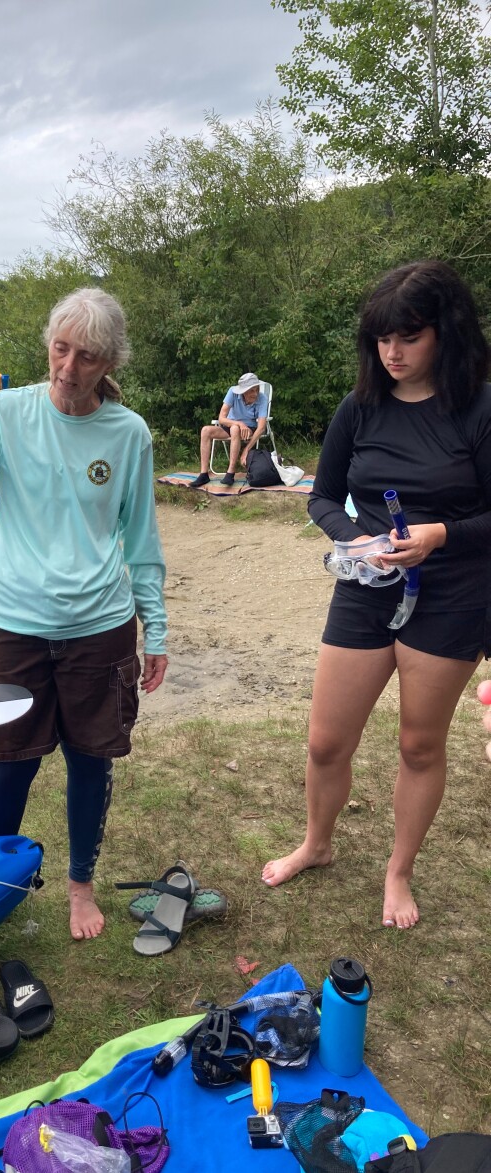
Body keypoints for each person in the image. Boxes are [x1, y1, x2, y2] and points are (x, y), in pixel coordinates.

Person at [0, 288, 169, 941]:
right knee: (8, 761)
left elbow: (140, 539)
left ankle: (80, 886)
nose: (68, 367)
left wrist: (156, 626)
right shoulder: (4, 413)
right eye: (60, 348)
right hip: (13, 620)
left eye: (86, 356)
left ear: (110, 361)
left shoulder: (129, 432)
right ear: (47, 345)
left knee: (91, 760)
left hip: (100, 625)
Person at [262, 260, 491, 929]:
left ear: (445, 334)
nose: (392, 352)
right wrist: (353, 541)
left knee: (420, 745)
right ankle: (317, 842)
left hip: (453, 592)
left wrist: (439, 534)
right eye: (382, 338)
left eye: (408, 336)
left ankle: (398, 871)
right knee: (327, 740)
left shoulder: (480, 407)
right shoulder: (361, 405)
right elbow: (323, 496)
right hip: (368, 585)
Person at [193, 372, 269, 487]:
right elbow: (221, 418)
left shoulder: (262, 398)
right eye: (251, 391)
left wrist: (246, 450)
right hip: (230, 425)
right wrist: (239, 423)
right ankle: (204, 474)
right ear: (243, 391)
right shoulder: (232, 392)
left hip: (249, 429)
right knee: (205, 430)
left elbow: (262, 427)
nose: (255, 394)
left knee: (235, 429)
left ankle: (230, 472)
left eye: (256, 389)